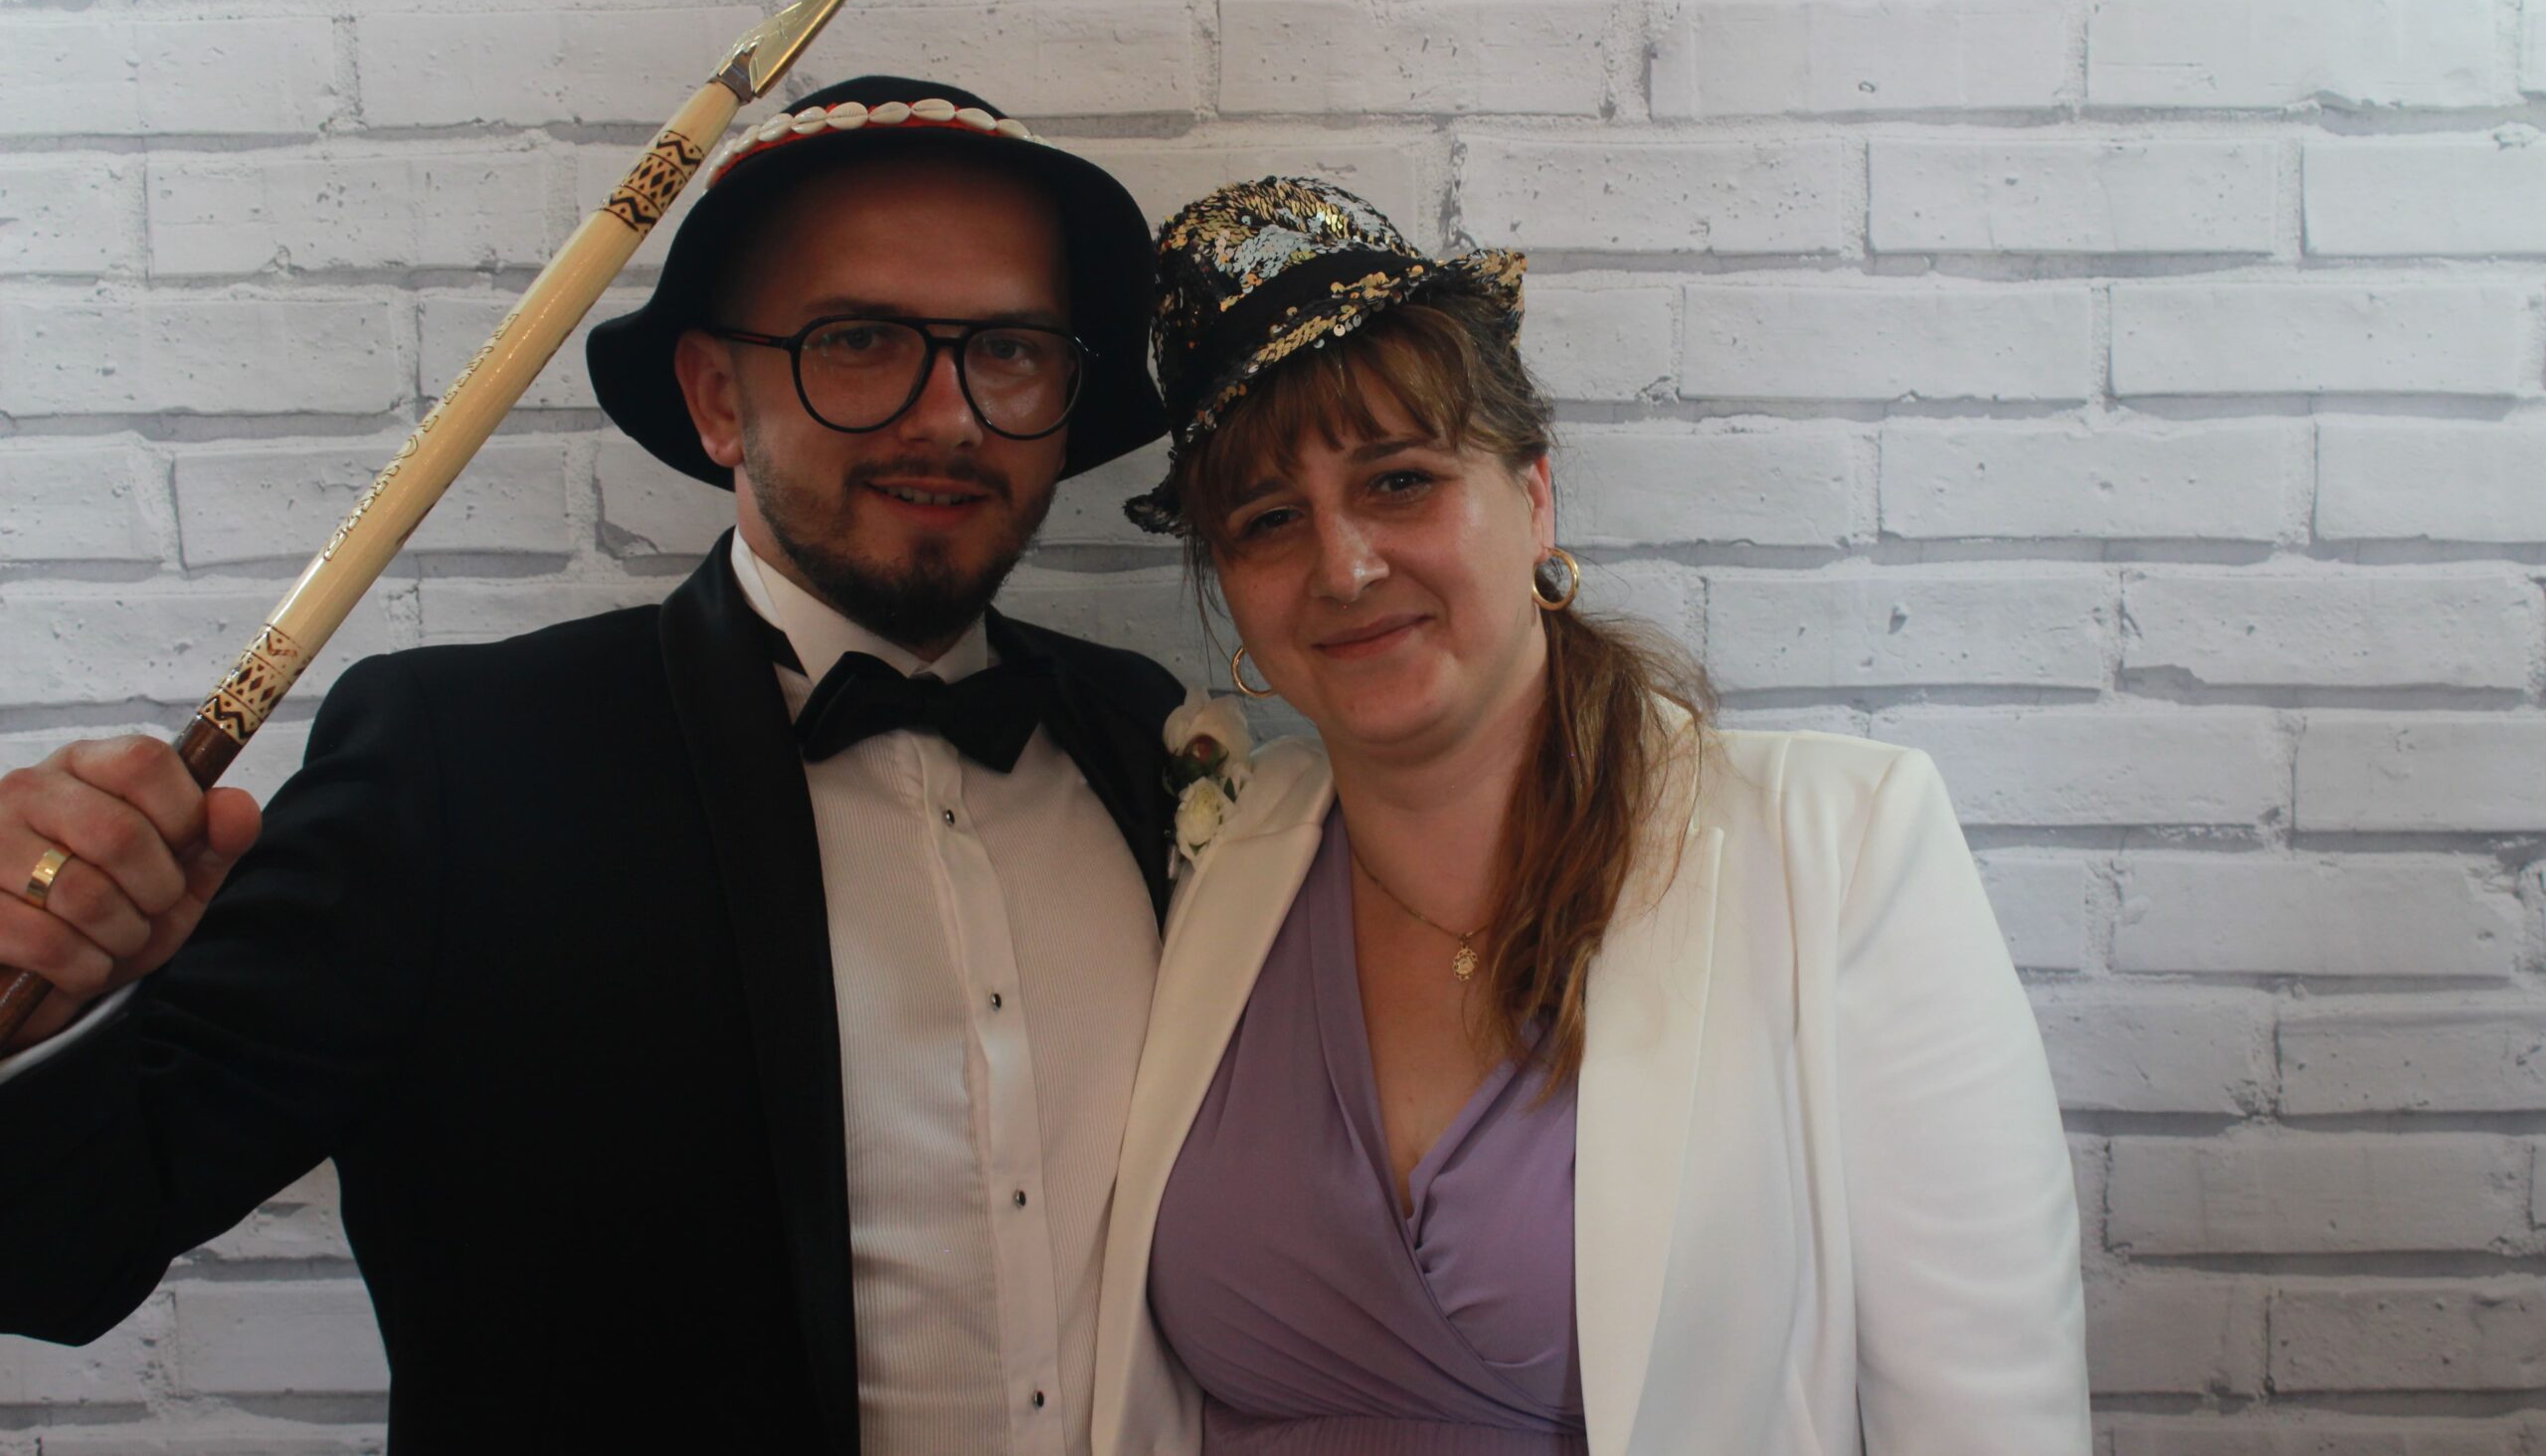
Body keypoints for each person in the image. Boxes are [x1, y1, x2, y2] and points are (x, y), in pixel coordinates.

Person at [0, 76, 1188, 1454]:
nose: (951, 415)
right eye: (860, 340)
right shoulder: (458, 768)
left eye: (1010, 349)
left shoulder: (1144, 737)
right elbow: (49, 1243)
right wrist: (28, 982)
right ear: (717, 398)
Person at [1086, 179, 2091, 1455]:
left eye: (1399, 482)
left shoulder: (1842, 851)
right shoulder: (1218, 865)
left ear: (1534, 497)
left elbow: (1986, 1415)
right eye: (1269, 521)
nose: (1343, 567)